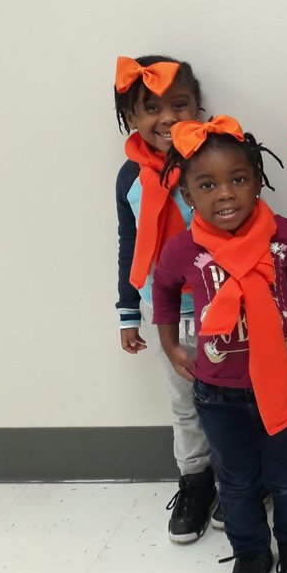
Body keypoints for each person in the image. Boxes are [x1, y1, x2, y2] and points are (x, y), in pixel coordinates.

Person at [152, 116, 287, 573]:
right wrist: (170, 345)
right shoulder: (183, 249)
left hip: (285, 382)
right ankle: (249, 556)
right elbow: (161, 291)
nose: (225, 194)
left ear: (258, 180)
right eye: (208, 185)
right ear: (187, 195)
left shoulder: (284, 235)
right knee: (238, 482)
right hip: (218, 393)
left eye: (238, 180)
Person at [112, 55, 218, 543]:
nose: (168, 118)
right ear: (131, 117)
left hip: (225, 303)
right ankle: (197, 482)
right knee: (185, 404)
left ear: (199, 107)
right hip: (167, 315)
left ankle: (243, 479)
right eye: (151, 108)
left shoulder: (215, 160)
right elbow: (129, 244)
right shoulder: (130, 179)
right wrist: (128, 313)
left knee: (240, 396)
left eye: (181, 104)